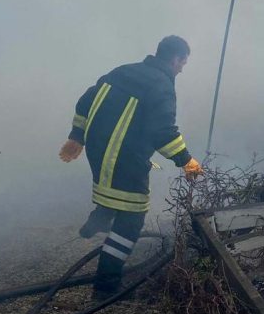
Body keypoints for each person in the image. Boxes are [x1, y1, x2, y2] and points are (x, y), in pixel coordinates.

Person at [58, 35, 205, 300]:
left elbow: (85, 102)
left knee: (112, 191)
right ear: (174, 59)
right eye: (183, 62)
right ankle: (106, 288)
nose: (183, 68)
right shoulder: (161, 85)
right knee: (131, 219)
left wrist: (76, 136)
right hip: (124, 159)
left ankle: (98, 219)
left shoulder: (122, 71)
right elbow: (163, 132)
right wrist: (187, 161)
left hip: (98, 151)